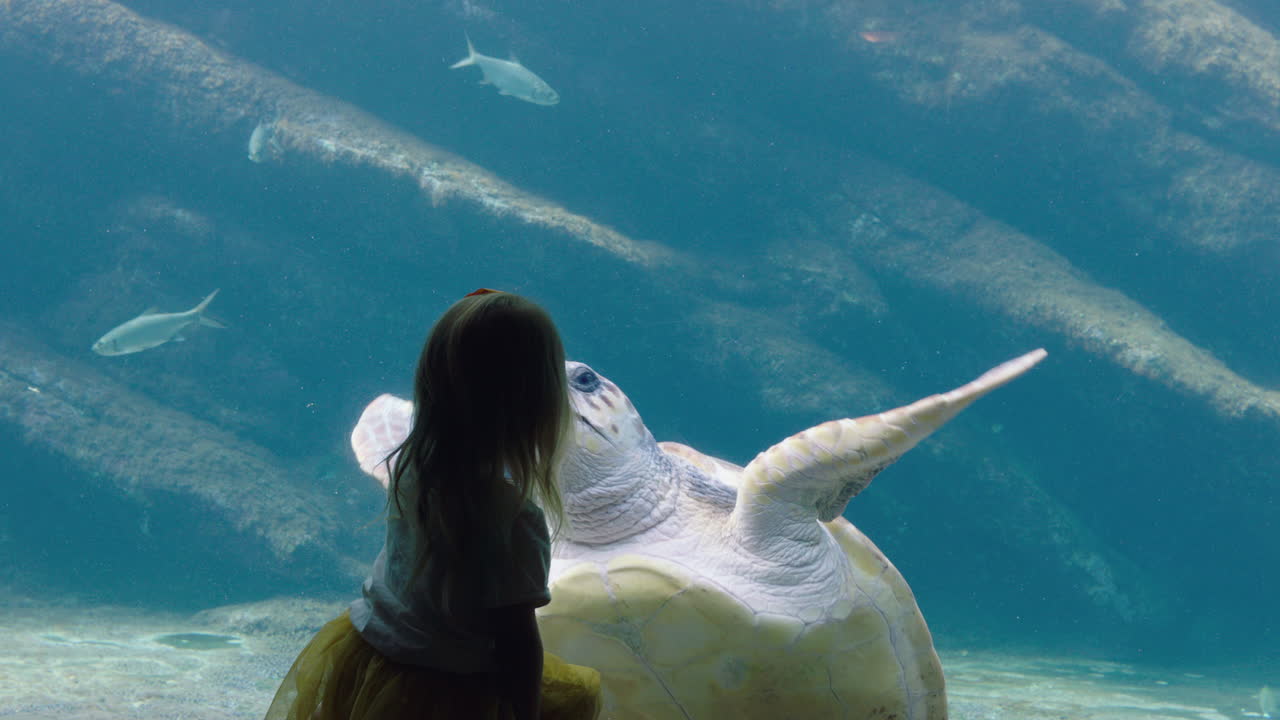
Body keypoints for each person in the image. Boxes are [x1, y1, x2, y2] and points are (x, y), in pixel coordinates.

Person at [264, 289, 602, 720]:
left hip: (374, 655)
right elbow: (518, 643)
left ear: (431, 381)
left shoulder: (409, 466)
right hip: (451, 690)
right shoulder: (515, 519)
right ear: (540, 405)